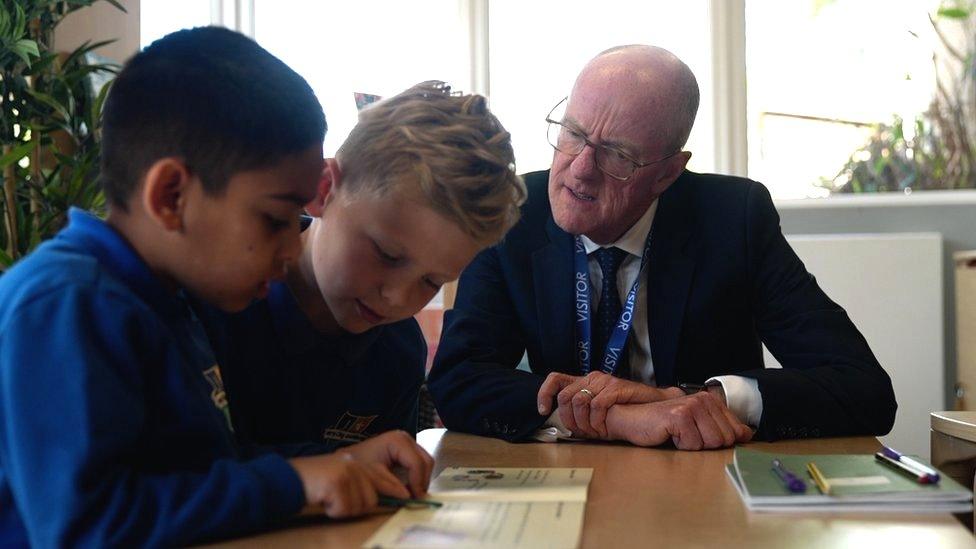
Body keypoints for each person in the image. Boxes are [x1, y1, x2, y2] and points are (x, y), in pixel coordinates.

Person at [0, 27, 432, 547]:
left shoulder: (168, 302)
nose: (292, 247)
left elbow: (204, 467)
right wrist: (293, 485)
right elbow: (87, 524)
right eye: (275, 219)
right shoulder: (68, 303)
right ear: (171, 195)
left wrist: (334, 461)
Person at [428, 45, 897, 450]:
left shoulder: (734, 219)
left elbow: (864, 389)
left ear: (669, 173)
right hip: (566, 475)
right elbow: (457, 380)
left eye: (618, 155)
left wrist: (705, 399)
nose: (580, 170)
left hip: (701, 480)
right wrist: (621, 417)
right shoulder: (515, 214)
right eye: (573, 134)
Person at [191, 81, 526, 451]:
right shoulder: (206, 302)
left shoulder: (398, 352)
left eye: (431, 281)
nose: (397, 298)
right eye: (387, 254)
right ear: (322, 191)